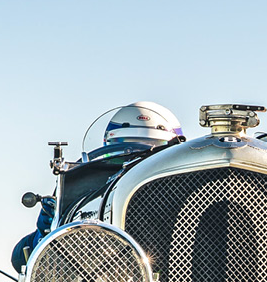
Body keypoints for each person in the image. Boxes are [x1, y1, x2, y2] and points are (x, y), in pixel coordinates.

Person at [12, 102, 183, 270]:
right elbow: (20, 259)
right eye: (123, 148)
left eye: (150, 152)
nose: (132, 160)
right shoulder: (87, 190)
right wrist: (46, 234)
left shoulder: (182, 191)